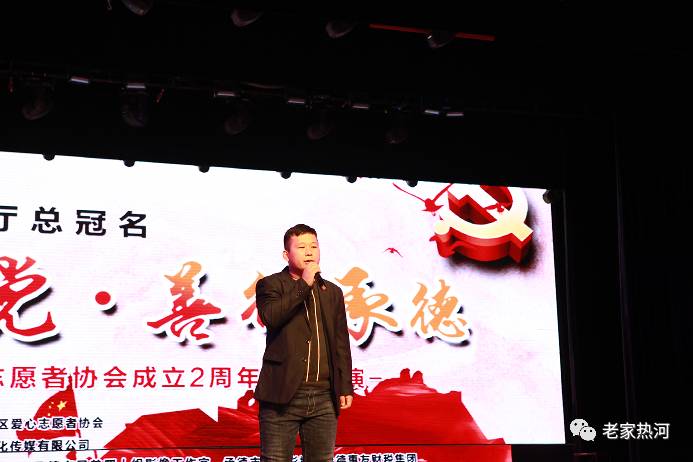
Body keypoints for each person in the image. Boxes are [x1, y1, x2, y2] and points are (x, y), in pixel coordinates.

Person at [255, 223, 354, 462]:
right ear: (286, 255)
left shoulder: (332, 291)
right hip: (282, 394)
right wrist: (304, 284)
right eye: (301, 247)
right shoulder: (270, 285)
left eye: (313, 246)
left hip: (324, 396)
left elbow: (341, 341)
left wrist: (344, 385)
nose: (309, 252)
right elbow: (271, 317)